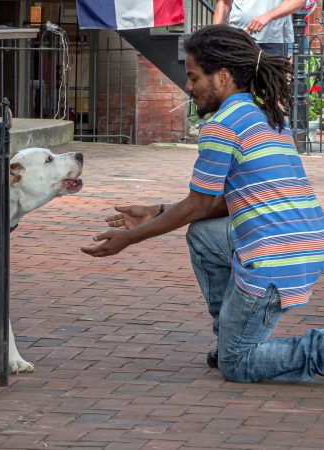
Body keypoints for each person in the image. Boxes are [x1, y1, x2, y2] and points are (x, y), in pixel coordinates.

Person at [81, 25, 324, 383]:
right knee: (204, 235)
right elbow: (218, 203)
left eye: (194, 77)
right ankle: (231, 335)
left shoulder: (222, 126)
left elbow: (197, 204)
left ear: (223, 77)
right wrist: (159, 211)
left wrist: (131, 239)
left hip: (274, 256)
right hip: (304, 242)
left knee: (237, 365)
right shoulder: (267, 114)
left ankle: (298, 350)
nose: (189, 87)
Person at [213, 0, 309, 56]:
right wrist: (215, 32)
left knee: (269, 85)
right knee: (238, 84)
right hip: (237, 38)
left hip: (272, 40)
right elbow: (224, 2)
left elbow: (299, 1)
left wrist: (268, 16)